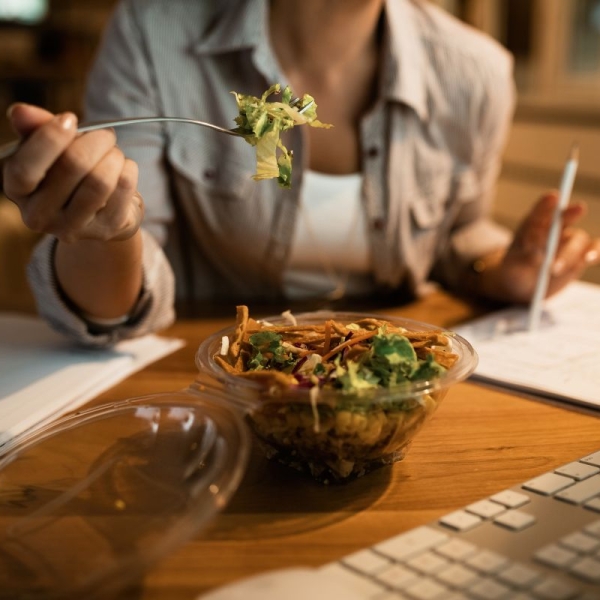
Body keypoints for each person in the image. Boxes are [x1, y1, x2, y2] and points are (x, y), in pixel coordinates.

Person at [2, 0, 599, 347]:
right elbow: (115, 292)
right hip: (207, 383)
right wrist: (105, 228)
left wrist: (502, 269)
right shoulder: (152, 32)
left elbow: (460, 234)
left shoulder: (477, 72)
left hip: (392, 375)